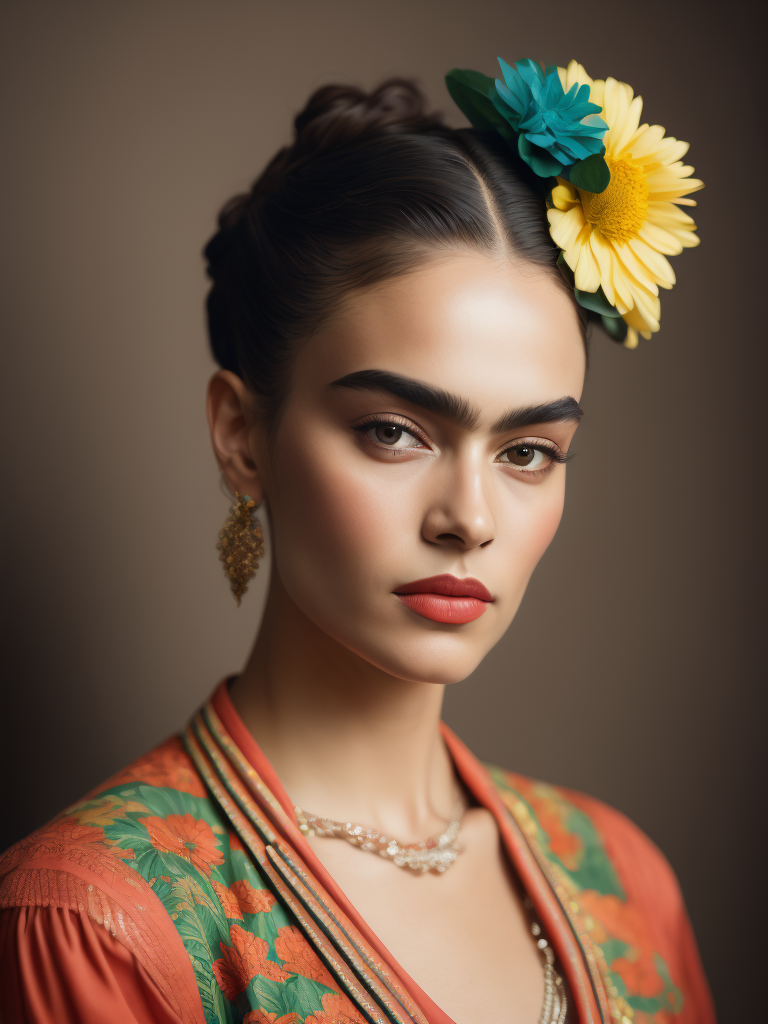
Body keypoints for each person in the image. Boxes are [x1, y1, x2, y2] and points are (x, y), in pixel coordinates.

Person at [0, 58, 715, 1024]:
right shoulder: (99, 921)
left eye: (530, 450)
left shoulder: (625, 879)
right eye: (394, 431)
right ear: (240, 435)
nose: (469, 516)